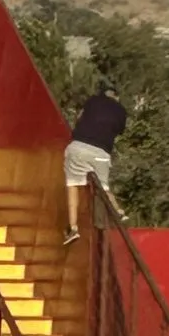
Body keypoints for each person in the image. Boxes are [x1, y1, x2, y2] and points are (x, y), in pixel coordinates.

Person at [63, 81, 127, 244]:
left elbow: (79, 117)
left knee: (73, 185)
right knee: (104, 186)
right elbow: (119, 131)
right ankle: (118, 210)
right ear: (117, 97)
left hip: (79, 146)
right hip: (101, 152)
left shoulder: (93, 100)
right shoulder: (121, 111)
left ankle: (73, 228)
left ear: (103, 94)